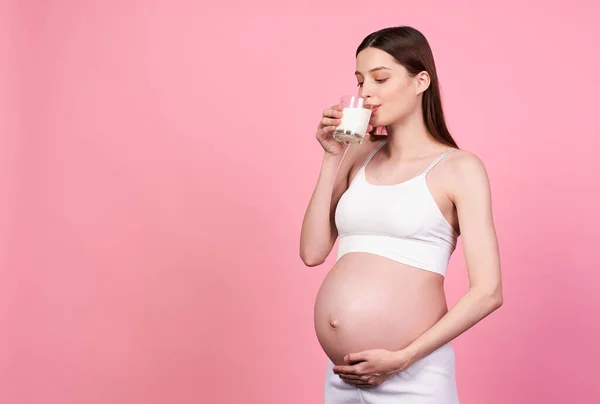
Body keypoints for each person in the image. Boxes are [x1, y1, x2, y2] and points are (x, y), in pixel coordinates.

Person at [300, 26, 503, 404]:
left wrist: (401, 358)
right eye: (360, 81)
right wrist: (332, 156)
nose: (366, 93)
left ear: (420, 80)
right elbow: (312, 252)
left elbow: (488, 292)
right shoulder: (358, 155)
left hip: (412, 375)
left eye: (380, 78)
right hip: (342, 378)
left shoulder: (459, 168)